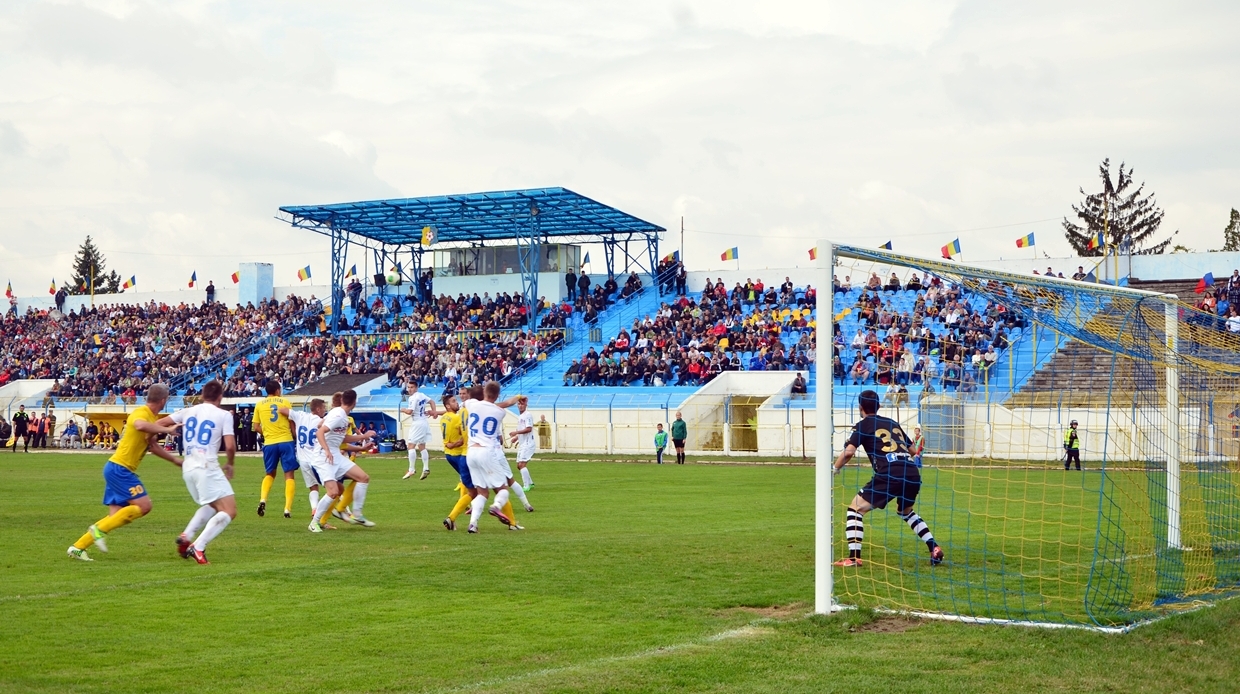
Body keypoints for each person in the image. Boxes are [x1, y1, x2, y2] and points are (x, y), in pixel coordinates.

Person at [66, 384, 183, 561]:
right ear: (163, 400)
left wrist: (174, 460)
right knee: (144, 506)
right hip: (120, 469)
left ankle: (78, 547)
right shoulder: (141, 413)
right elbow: (139, 425)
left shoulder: (152, 417)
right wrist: (167, 429)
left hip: (115, 468)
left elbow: (151, 445)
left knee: (114, 517)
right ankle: (97, 531)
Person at [831, 390, 943, 568]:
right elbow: (913, 450)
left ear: (860, 407)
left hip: (889, 473)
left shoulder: (863, 425)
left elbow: (849, 452)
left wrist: (835, 469)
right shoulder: (892, 423)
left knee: (855, 510)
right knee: (906, 512)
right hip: (912, 473)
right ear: (879, 406)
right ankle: (934, 547)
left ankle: (853, 558)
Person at [159, 380, 236, 565]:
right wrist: (230, 463)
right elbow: (231, 445)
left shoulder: (188, 411)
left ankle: (187, 535)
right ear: (220, 397)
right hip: (206, 465)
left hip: (188, 468)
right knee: (230, 510)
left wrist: (168, 430)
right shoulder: (224, 415)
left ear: (202, 395)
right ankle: (198, 546)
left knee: (213, 504)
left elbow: (159, 422)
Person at [309, 389, 378, 532]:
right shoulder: (339, 415)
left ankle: (357, 514)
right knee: (333, 492)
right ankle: (314, 523)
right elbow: (319, 432)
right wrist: (327, 450)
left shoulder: (341, 416)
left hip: (334, 454)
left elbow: (341, 438)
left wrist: (363, 438)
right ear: (354, 402)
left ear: (342, 401)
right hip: (323, 456)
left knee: (363, 478)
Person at [461, 381, 526, 533]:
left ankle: (473, 524)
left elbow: (465, 404)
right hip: (486, 452)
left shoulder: (471, 404)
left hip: (471, 453)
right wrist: (518, 397)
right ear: (497, 395)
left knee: (482, 492)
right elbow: (504, 404)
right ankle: (496, 506)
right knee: (503, 489)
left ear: (484, 392)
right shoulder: (499, 412)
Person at [253, 379, 298, 518]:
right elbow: (291, 423)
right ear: (278, 390)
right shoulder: (284, 402)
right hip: (285, 441)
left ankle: (263, 499)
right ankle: (287, 509)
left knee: (270, 473)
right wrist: (296, 438)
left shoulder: (259, 405)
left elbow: (255, 427)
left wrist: (266, 433)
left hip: (270, 442)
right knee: (289, 475)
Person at [439, 394, 474, 531]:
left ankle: (465, 505)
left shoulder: (444, 418)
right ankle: (462, 508)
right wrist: (458, 442)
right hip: (459, 454)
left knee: (465, 479)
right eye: (453, 401)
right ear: (448, 406)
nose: (456, 402)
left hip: (448, 455)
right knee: (475, 486)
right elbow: (463, 434)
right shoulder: (456, 417)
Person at [401, 381, 440, 480]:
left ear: (416, 388)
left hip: (417, 423)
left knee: (411, 446)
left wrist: (403, 409)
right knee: (422, 446)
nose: (409, 389)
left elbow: (410, 411)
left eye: (412, 387)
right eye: (408, 387)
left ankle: (411, 469)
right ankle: (426, 468)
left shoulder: (413, 398)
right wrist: (434, 412)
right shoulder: (421, 395)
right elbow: (432, 402)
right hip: (424, 422)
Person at [510, 396, 536, 491]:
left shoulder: (527, 415)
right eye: (519, 404)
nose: (520, 406)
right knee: (518, 465)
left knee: (521, 465)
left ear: (526, 405)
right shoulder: (520, 416)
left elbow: (529, 429)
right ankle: (531, 483)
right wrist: (516, 438)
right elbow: (522, 429)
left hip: (528, 444)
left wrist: (516, 433)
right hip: (523, 443)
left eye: (522, 404)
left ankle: (526, 486)